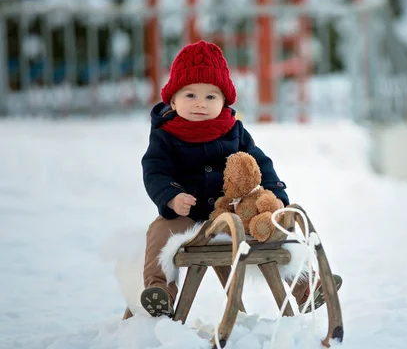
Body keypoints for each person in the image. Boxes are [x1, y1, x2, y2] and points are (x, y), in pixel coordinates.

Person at [140, 40, 340, 317]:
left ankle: (307, 289)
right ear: (173, 100)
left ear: (224, 101)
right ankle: (161, 292)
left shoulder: (233, 131)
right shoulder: (166, 134)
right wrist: (171, 197)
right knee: (160, 232)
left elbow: (260, 162)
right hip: (186, 216)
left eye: (211, 97)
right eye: (190, 95)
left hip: (233, 213)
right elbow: (155, 170)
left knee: (278, 226)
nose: (201, 103)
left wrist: (276, 195)